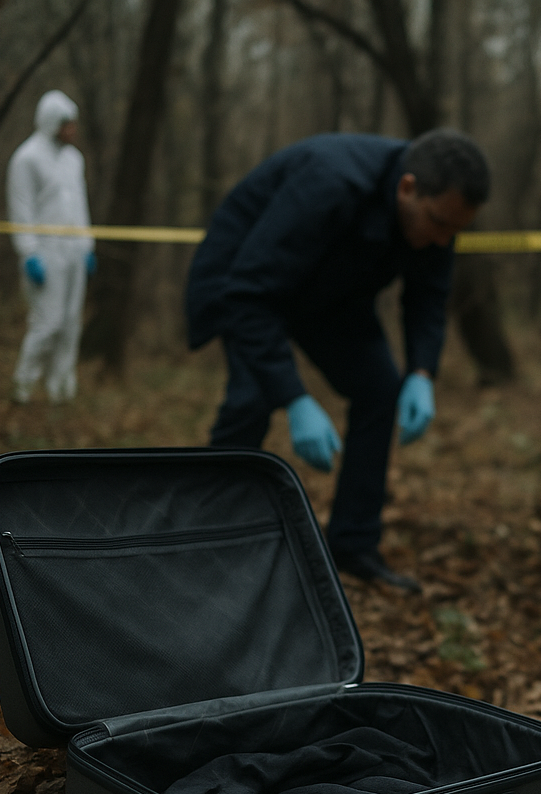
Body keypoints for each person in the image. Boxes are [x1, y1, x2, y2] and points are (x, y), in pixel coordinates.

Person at [186, 129, 490, 593]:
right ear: (407, 188)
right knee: (251, 400)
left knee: (380, 391)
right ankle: (205, 541)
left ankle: (353, 545)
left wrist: (423, 373)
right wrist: (295, 398)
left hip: (330, 297)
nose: (442, 240)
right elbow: (250, 293)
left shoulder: (436, 222)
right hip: (246, 284)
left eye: (455, 230)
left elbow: (428, 297)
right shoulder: (329, 183)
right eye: (438, 223)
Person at [7, 90, 96, 404]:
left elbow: (80, 204)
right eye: (67, 124)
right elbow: (21, 208)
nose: (72, 130)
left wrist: (87, 245)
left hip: (74, 252)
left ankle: (61, 389)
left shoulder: (74, 159)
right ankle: (24, 387)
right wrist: (28, 253)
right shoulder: (26, 158)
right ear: (51, 123)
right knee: (48, 322)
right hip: (45, 253)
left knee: (71, 322)